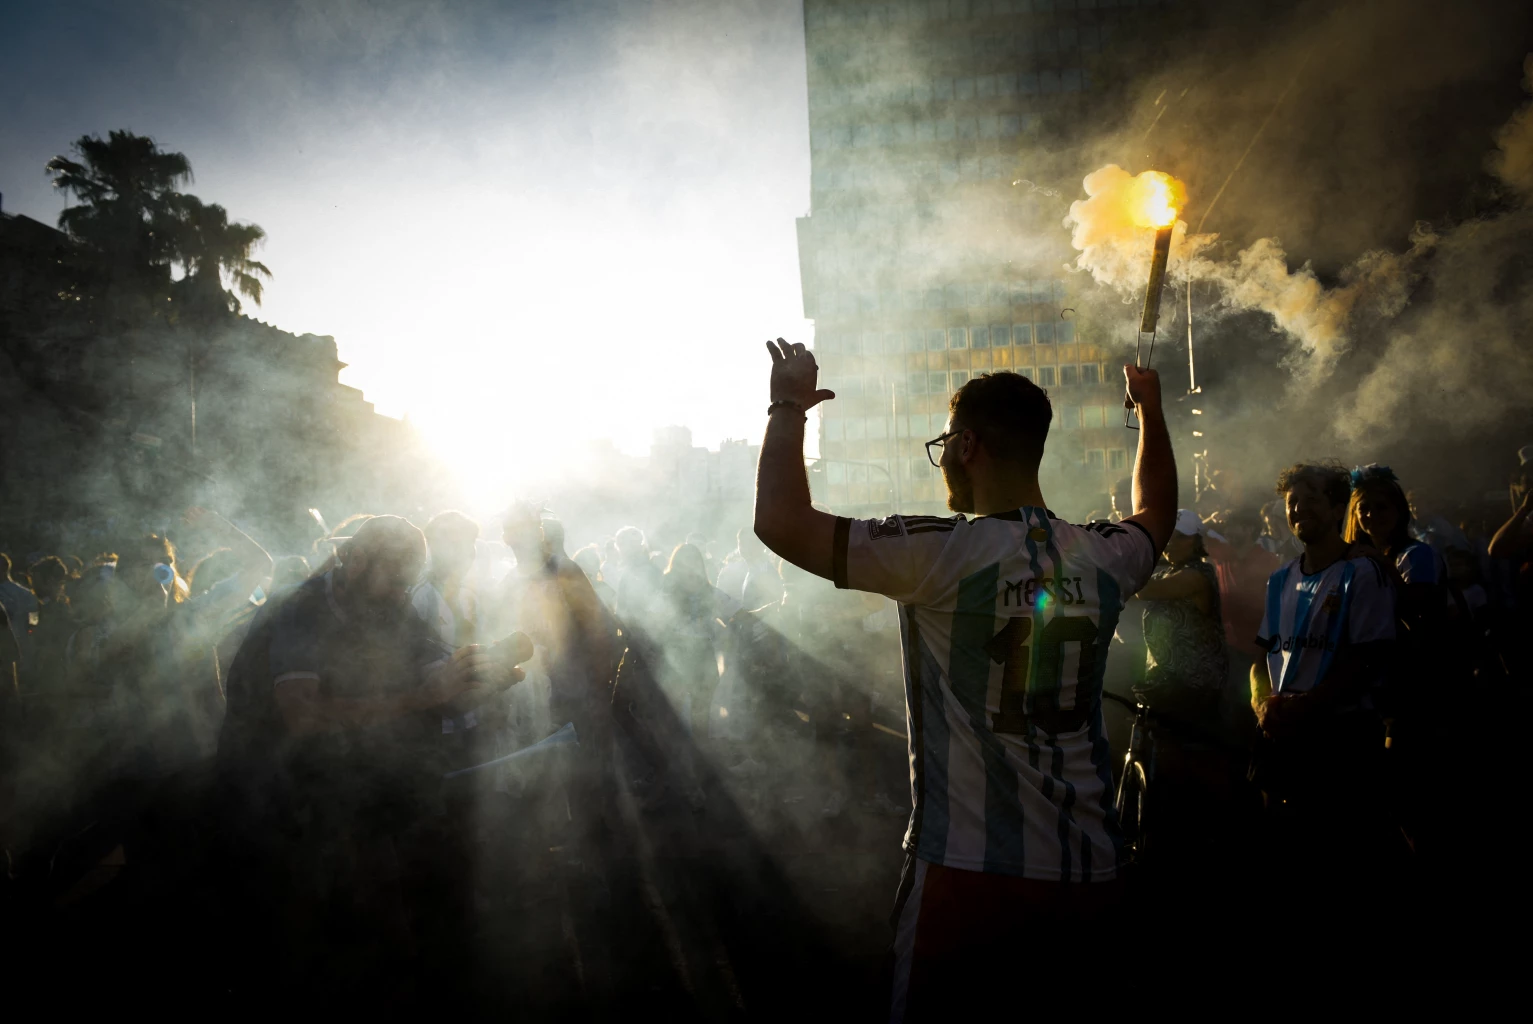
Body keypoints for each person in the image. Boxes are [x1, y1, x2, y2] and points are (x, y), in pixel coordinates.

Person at [752, 338, 1176, 1019]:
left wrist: (785, 407)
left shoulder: (940, 552)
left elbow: (779, 522)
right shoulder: (1102, 556)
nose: (942, 456)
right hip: (1089, 868)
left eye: (944, 441)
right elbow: (1155, 513)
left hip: (968, 875)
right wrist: (1150, 414)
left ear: (968, 445)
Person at [216, 515, 518, 998]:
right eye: (393, 581)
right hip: (269, 793)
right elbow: (304, 716)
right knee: (293, 935)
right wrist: (421, 699)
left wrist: (476, 678)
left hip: (340, 787)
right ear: (355, 563)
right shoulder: (303, 610)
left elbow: (432, 668)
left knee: (376, 918)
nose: (401, 593)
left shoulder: (391, 605)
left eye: (407, 582)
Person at [1249, 463, 1400, 928]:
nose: (1298, 508)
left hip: (1340, 737)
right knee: (1285, 858)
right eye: (1292, 501)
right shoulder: (1279, 580)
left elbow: (1368, 659)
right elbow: (1260, 660)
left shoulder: (1361, 572)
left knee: (1344, 864)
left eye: (1311, 499)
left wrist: (1308, 706)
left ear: (1338, 509)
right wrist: (1260, 704)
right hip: (1284, 736)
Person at [1132, 509, 1228, 726]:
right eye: (1168, 536)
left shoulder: (1200, 574)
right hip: (1164, 681)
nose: (1172, 543)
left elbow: (1144, 590)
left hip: (1195, 687)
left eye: (1181, 537)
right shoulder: (1165, 572)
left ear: (1196, 541)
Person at [715, 528, 785, 610]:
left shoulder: (765, 570)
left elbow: (774, 604)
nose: (744, 548)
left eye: (750, 543)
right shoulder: (750, 569)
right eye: (741, 543)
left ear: (760, 546)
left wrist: (747, 616)